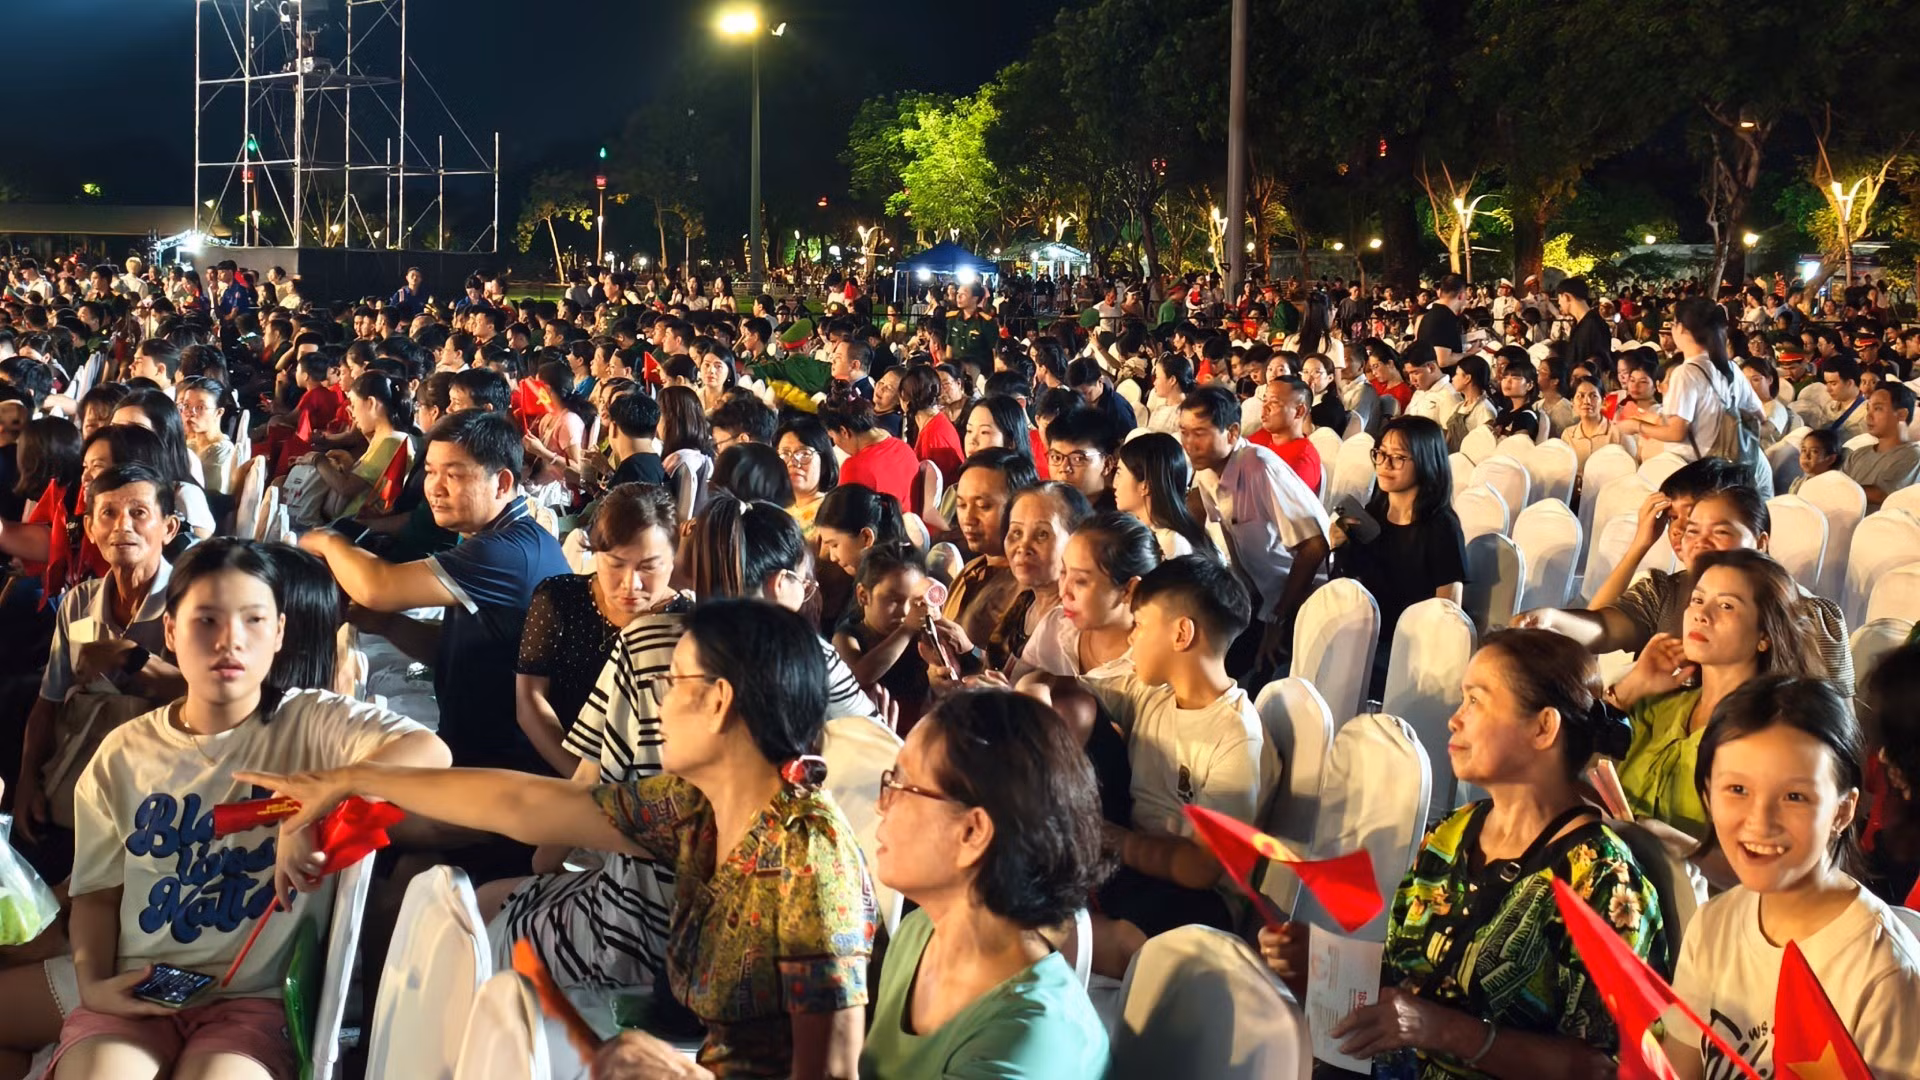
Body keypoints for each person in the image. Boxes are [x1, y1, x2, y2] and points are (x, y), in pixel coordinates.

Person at [240, 599, 875, 1079]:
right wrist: (353, 777)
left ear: (718, 702)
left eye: (673, 682)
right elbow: (529, 803)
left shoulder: (809, 860)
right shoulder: (700, 808)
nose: (656, 703)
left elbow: (832, 1071)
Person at [45, 539, 448, 1080]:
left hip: (254, 1003)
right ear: (170, 632)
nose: (230, 640)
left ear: (279, 633)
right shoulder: (123, 754)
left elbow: (431, 753)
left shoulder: (308, 723)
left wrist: (309, 801)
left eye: (253, 620)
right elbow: (97, 892)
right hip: (141, 988)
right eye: (206, 620)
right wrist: (93, 984)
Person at [1258, 630, 1669, 1079]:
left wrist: (1446, 1031)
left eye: (1477, 700)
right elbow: (1407, 982)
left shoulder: (1604, 881)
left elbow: (1607, 1068)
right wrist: (1323, 969)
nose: (1455, 719)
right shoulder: (1453, 833)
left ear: (1543, 727)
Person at [1666, 676, 1920, 1078]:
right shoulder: (1712, 924)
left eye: (1795, 797)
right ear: (1707, 795)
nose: (1759, 821)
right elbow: (1677, 1068)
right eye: (1736, 789)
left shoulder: (1885, 972)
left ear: (1842, 811)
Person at [298, 409, 571, 774]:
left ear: (502, 483)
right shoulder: (506, 537)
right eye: (430, 472)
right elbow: (459, 652)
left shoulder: (506, 551)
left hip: (501, 766)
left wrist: (328, 540)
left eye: (453, 475)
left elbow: (378, 587)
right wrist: (388, 625)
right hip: (474, 745)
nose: (435, 488)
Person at [858, 690, 1111, 1080]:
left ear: (973, 832)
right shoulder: (918, 933)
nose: (881, 804)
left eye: (903, 785)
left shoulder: (1031, 1042)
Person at [1077, 556, 1278, 956]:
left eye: (1141, 625)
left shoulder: (1236, 738)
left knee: (1091, 938)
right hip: (1132, 860)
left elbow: (1202, 868)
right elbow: (1070, 691)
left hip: (1199, 896)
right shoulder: (1152, 692)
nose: (1131, 638)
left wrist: (1116, 841)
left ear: (1182, 633)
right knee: (1078, 710)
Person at [1607, 549, 1828, 854]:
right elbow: (1576, 777)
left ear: (1765, 634)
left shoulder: (1771, 734)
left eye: (1726, 605)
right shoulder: (1655, 706)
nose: (1701, 614)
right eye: (1697, 600)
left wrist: (1666, 843)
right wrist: (1628, 690)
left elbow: (1772, 858)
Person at [14, 465, 186, 851]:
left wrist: (130, 656)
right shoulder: (78, 601)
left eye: (139, 513)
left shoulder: (191, 601)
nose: (122, 526)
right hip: (77, 781)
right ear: (90, 528)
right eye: (108, 514)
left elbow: (213, 701)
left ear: (169, 528)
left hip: (158, 796)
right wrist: (27, 781)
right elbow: (49, 701)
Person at [517, 484, 679, 776]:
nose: (631, 584)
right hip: (553, 768)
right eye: (616, 564)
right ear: (595, 553)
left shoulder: (684, 625)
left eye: (649, 567)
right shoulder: (560, 598)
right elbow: (530, 700)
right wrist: (582, 779)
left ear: (673, 561)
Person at [1178, 385, 1330, 683]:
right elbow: (1197, 507)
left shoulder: (1260, 468)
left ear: (1232, 433)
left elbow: (1315, 545)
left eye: (1199, 433)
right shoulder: (1208, 468)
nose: (1189, 444)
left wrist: (1278, 617)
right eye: (1184, 432)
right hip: (1255, 597)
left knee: (1242, 678)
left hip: (1296, 598)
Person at [1333, 416, 1467, 698]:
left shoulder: (1441, 526)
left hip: (1408, 646)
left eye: (1398, 457)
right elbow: (1350, 585)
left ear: (1427, 462)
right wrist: (1338, 547)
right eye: (1380, 454)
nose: (1384, 464)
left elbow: (1447, 611)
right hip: (1363, 632)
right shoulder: (1373, 513)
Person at [1015, 510, 1156, 682]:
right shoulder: (1055, 625)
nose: (1063, 592)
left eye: (1080, 581)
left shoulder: (1151, 664)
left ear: (1129, 590)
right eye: (1063, 572)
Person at [939, 449, 1039, 649]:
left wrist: (970, 655)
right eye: (961, 505)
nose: (968, 519)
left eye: (983, 506)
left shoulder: (1033, 586)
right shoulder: (973, 569)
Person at [832, 541, 934, 735]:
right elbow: (859, 678)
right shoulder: (847, 637)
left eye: (914, 601)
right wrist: (906, 630)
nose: (905, 611)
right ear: (863, 595)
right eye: (893, 600)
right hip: (870, 740)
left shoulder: (919, 633)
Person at [301, 372, 414, 524]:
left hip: (352, 527)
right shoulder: (384, 441)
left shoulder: (391, 443)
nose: (352, 414)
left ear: (371, 403)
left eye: (353, 405)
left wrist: (317, 459)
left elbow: (346, 488)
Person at [1113, 432, 1216, 560]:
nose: (1114, 484)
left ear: (1145, 486)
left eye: (1119, 474)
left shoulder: (1170, 543)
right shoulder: (1148, 533)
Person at [821, 389, 917, 507]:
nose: (835, 443)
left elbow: (848, 518)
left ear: (844, 432)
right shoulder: (903, 448)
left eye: (832, 437)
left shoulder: (854, 468)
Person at [1839, 382, 1920, 509]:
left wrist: (1840, 490)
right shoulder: (1858, 454)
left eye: (1878, 409)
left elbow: (1881, 494)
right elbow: (1837, 485)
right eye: (1868, 409)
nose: (1869, 416)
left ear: (1901, 415)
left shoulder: (1912, 456)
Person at [1247, 376, 1322, 495]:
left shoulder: (1302, 460)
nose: (1264, 407)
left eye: (1274, 402)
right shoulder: (1263, 436)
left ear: (1299, 411)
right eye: (1265, 400)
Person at [1043, 407, 1120, 512]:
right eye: (1056, 457)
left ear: (1107, 464)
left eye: (1078, 459)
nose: (1064, 468)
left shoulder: (1118, 523)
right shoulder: (1044, 509)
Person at [775, 415, 838, 539]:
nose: (793, 462)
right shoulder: (778, 514)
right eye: (785, 454)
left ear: (824, 463)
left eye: (804, 454)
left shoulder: (834, 513)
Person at [177, 376, 235, 496]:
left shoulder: (222, 451)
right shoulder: (190, 444)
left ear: (219, 412)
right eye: (186, 406)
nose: (190, 413)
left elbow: (211, 497)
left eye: (200, 408)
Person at [1443, 355, 1499, 452]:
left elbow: (1484, 446)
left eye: (1456, 374)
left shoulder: (1485, 410)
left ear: (1467, 378)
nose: (1453, 378)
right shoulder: (1458, 407)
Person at [1790, 427, 1841, 493]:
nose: (1806, 456)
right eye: (1804, 450)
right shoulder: (1800, 483)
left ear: (1830, 459)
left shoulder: (1831, 489)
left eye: (1814, 451)